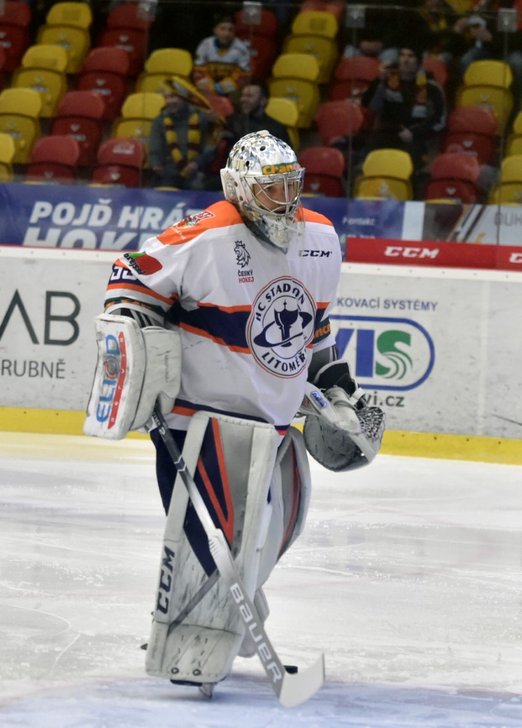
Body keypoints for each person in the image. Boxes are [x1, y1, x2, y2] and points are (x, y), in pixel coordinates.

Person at [83, 130, 385, 696]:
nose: (286, 199)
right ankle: (228, 631)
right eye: (272, 189)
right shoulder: (205, 233)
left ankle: (216, 625)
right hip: (199, 421)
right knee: (224, 541)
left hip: (274, 422)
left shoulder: (320, 238)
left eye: (292, 186)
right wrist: (136, 333)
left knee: (275, 533)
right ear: (241, 188)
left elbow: (315, 329)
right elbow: (130, 276)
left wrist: (335, 389)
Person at [360, 41, 447, 172]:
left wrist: (414, 132)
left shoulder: (431, 87)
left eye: (410, 56)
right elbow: (367, 104)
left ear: (419, 61)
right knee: (369, 159)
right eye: (402, 55)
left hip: (415, 136)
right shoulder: (387, 81)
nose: (405, 60)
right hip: (387, 133)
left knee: (408, 164)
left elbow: (439, 119)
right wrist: (379, 81)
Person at [148, 76, 217, 190]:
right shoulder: (160, 120)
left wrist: (196, 164)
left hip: (197, 171)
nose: (170, 101)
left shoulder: (201, 117)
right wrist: (155, 163)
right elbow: (155, 145)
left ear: (184, 98)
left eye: (174, 97)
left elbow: (210, 147)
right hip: (168, 172)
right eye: (167, 97)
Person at [192, 15, 252, 97]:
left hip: (231, 90)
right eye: (222, 29)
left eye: (230, 30)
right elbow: (198, 72)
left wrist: (220, 88)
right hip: (208, 87)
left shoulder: (242, 49)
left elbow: (243, 77)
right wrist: (211, 88)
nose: (226, 34)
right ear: (215, 30)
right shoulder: (205, 45)